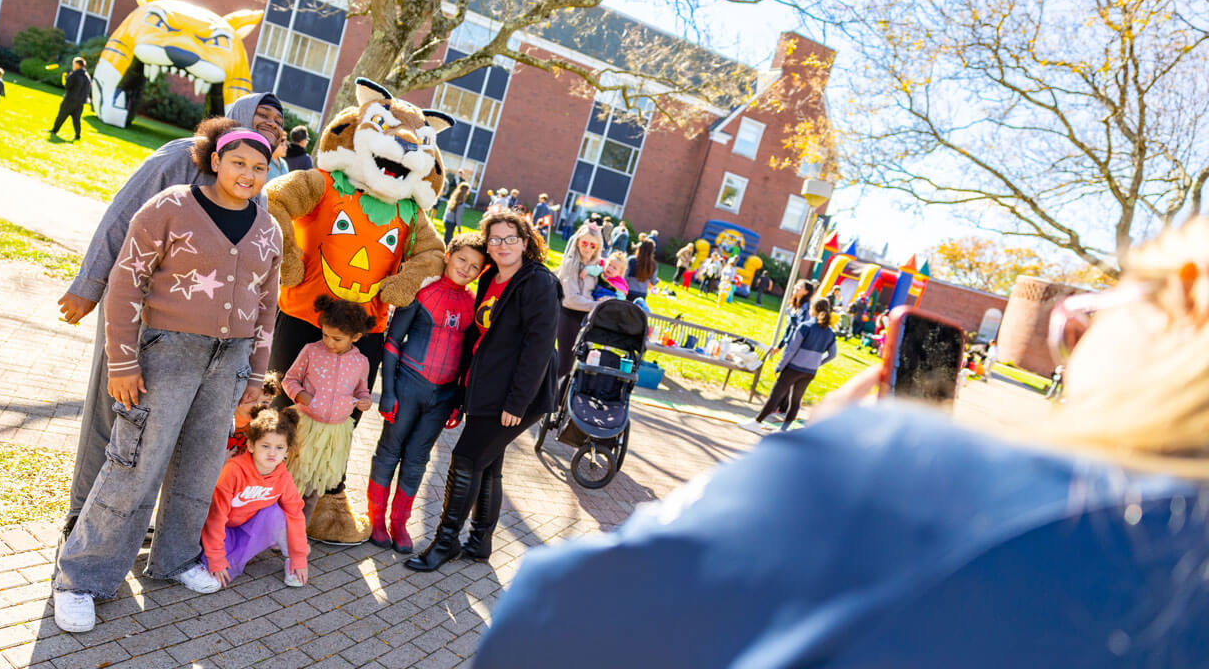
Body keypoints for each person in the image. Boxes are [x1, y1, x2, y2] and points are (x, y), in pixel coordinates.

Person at [477, 217, 1209, 669]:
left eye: (1118, 294)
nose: (1072, 329)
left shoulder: (897, 481)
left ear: (1184, 300)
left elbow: (549, 624)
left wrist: (815, 466)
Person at [52, 121, 282, 633]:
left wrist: (255, 376)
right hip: (166, 355)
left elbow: (268, 307)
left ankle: (174, 560)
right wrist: (123, 362)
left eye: (260, 167)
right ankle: (81, 579)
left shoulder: (268, 227)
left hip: (230, 361)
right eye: (238, 162)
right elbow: (126, 282)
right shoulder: (171, 206)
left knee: (201, 465)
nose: (248, 174)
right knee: (135, 465)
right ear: (215, 160)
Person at [405, 210, 561, 571]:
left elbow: (538, 349)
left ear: (525, 242)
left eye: (510, 238)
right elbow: (478, 336)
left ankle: (445, 543)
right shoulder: (490, 276)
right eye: (495, 239)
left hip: (517, 394)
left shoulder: (537, 283)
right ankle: (479, 542)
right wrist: (463, 390)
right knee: (488, 465)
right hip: (487, 387)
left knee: (467, 459)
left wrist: (517, 402)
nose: (502, 245)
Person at [370, 233, 486, 554]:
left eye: (475, 266)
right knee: (389, 451)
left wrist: (458, 402)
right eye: (462, 259)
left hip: (443, 397)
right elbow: (392, 343)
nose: (466, 268)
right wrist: (388, 392)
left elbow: (468, 358)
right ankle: (377, 520)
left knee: (417, 459)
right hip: (407, 385)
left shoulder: (473, 304)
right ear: (448, 255)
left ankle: (399, 523)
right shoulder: (422, 292)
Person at [281, 296, 375, 522]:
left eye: (337, 339)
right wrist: (304, 397)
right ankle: (276, 528)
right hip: (306, 427)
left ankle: (298, 533)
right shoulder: (312, 351)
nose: (329, 342)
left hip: (333, 435)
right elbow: (290, 379)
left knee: (314, 486)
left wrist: (365, 400)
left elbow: (362, 390)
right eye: (325, 335)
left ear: (356, 337)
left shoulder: (361, 363)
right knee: (292, 480)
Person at [201, 406, 309, 589]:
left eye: (279, 447)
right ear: (251, 445)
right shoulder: (233, 471)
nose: (272, 453)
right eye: (265, 446)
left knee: (279, 513)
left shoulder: (282, 477)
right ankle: (213, 554)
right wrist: (216, 557)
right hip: (222, 528)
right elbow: (216, 516)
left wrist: (299, 557)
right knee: (213, 576)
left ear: (286, 452)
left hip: (248, 525)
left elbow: (295, 514)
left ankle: (291, 559)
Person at [740, 297, 837, 432]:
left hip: (793, 368)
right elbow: (832, 354)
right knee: (796, 400)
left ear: (813, 309)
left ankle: (757, 422)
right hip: (810, 372)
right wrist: (817, 363)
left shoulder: (805, 327)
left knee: (776, 395)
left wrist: (779, 366)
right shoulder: (830, 333)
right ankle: (783, 430)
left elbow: (791, 350)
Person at [555, 222, 604, 381]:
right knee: (564, 365)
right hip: (568, 317)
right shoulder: (570, 263)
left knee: (577, 368)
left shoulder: (596, 267)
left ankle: (561, 404)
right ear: (577, 242)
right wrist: (597, 305)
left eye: (593, 245)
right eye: (584, 243)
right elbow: (571, 300)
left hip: (587, 320)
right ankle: (541, 402)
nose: (588, 248)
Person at [49, 58, 92, 140]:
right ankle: (77, 135)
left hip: (70, 100)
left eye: (74, 64)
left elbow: (67, 85)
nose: (73, 66)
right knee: (76, 119)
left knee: (61, 116)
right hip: (80, 103)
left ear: (78, 65)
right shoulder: (87, 76)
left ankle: (54, 131)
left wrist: (65, 77)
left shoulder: (74, 74)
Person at [624, 238, 660, 308]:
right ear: (652, 251)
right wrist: (657, 280)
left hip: (628, 291)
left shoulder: (631, 260)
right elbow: (653, 282)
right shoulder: (653, 264)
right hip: (642, 294)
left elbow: (624, 276)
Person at [780, 280, 816, 347]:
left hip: (801, 347)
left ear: (806, 292)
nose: (796, 287)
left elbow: (802, 329)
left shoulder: (807, 309)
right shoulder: (792, 306)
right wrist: (781, 345)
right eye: (796, 285)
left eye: (800, 286)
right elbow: (789, 327)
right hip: (790, 344)